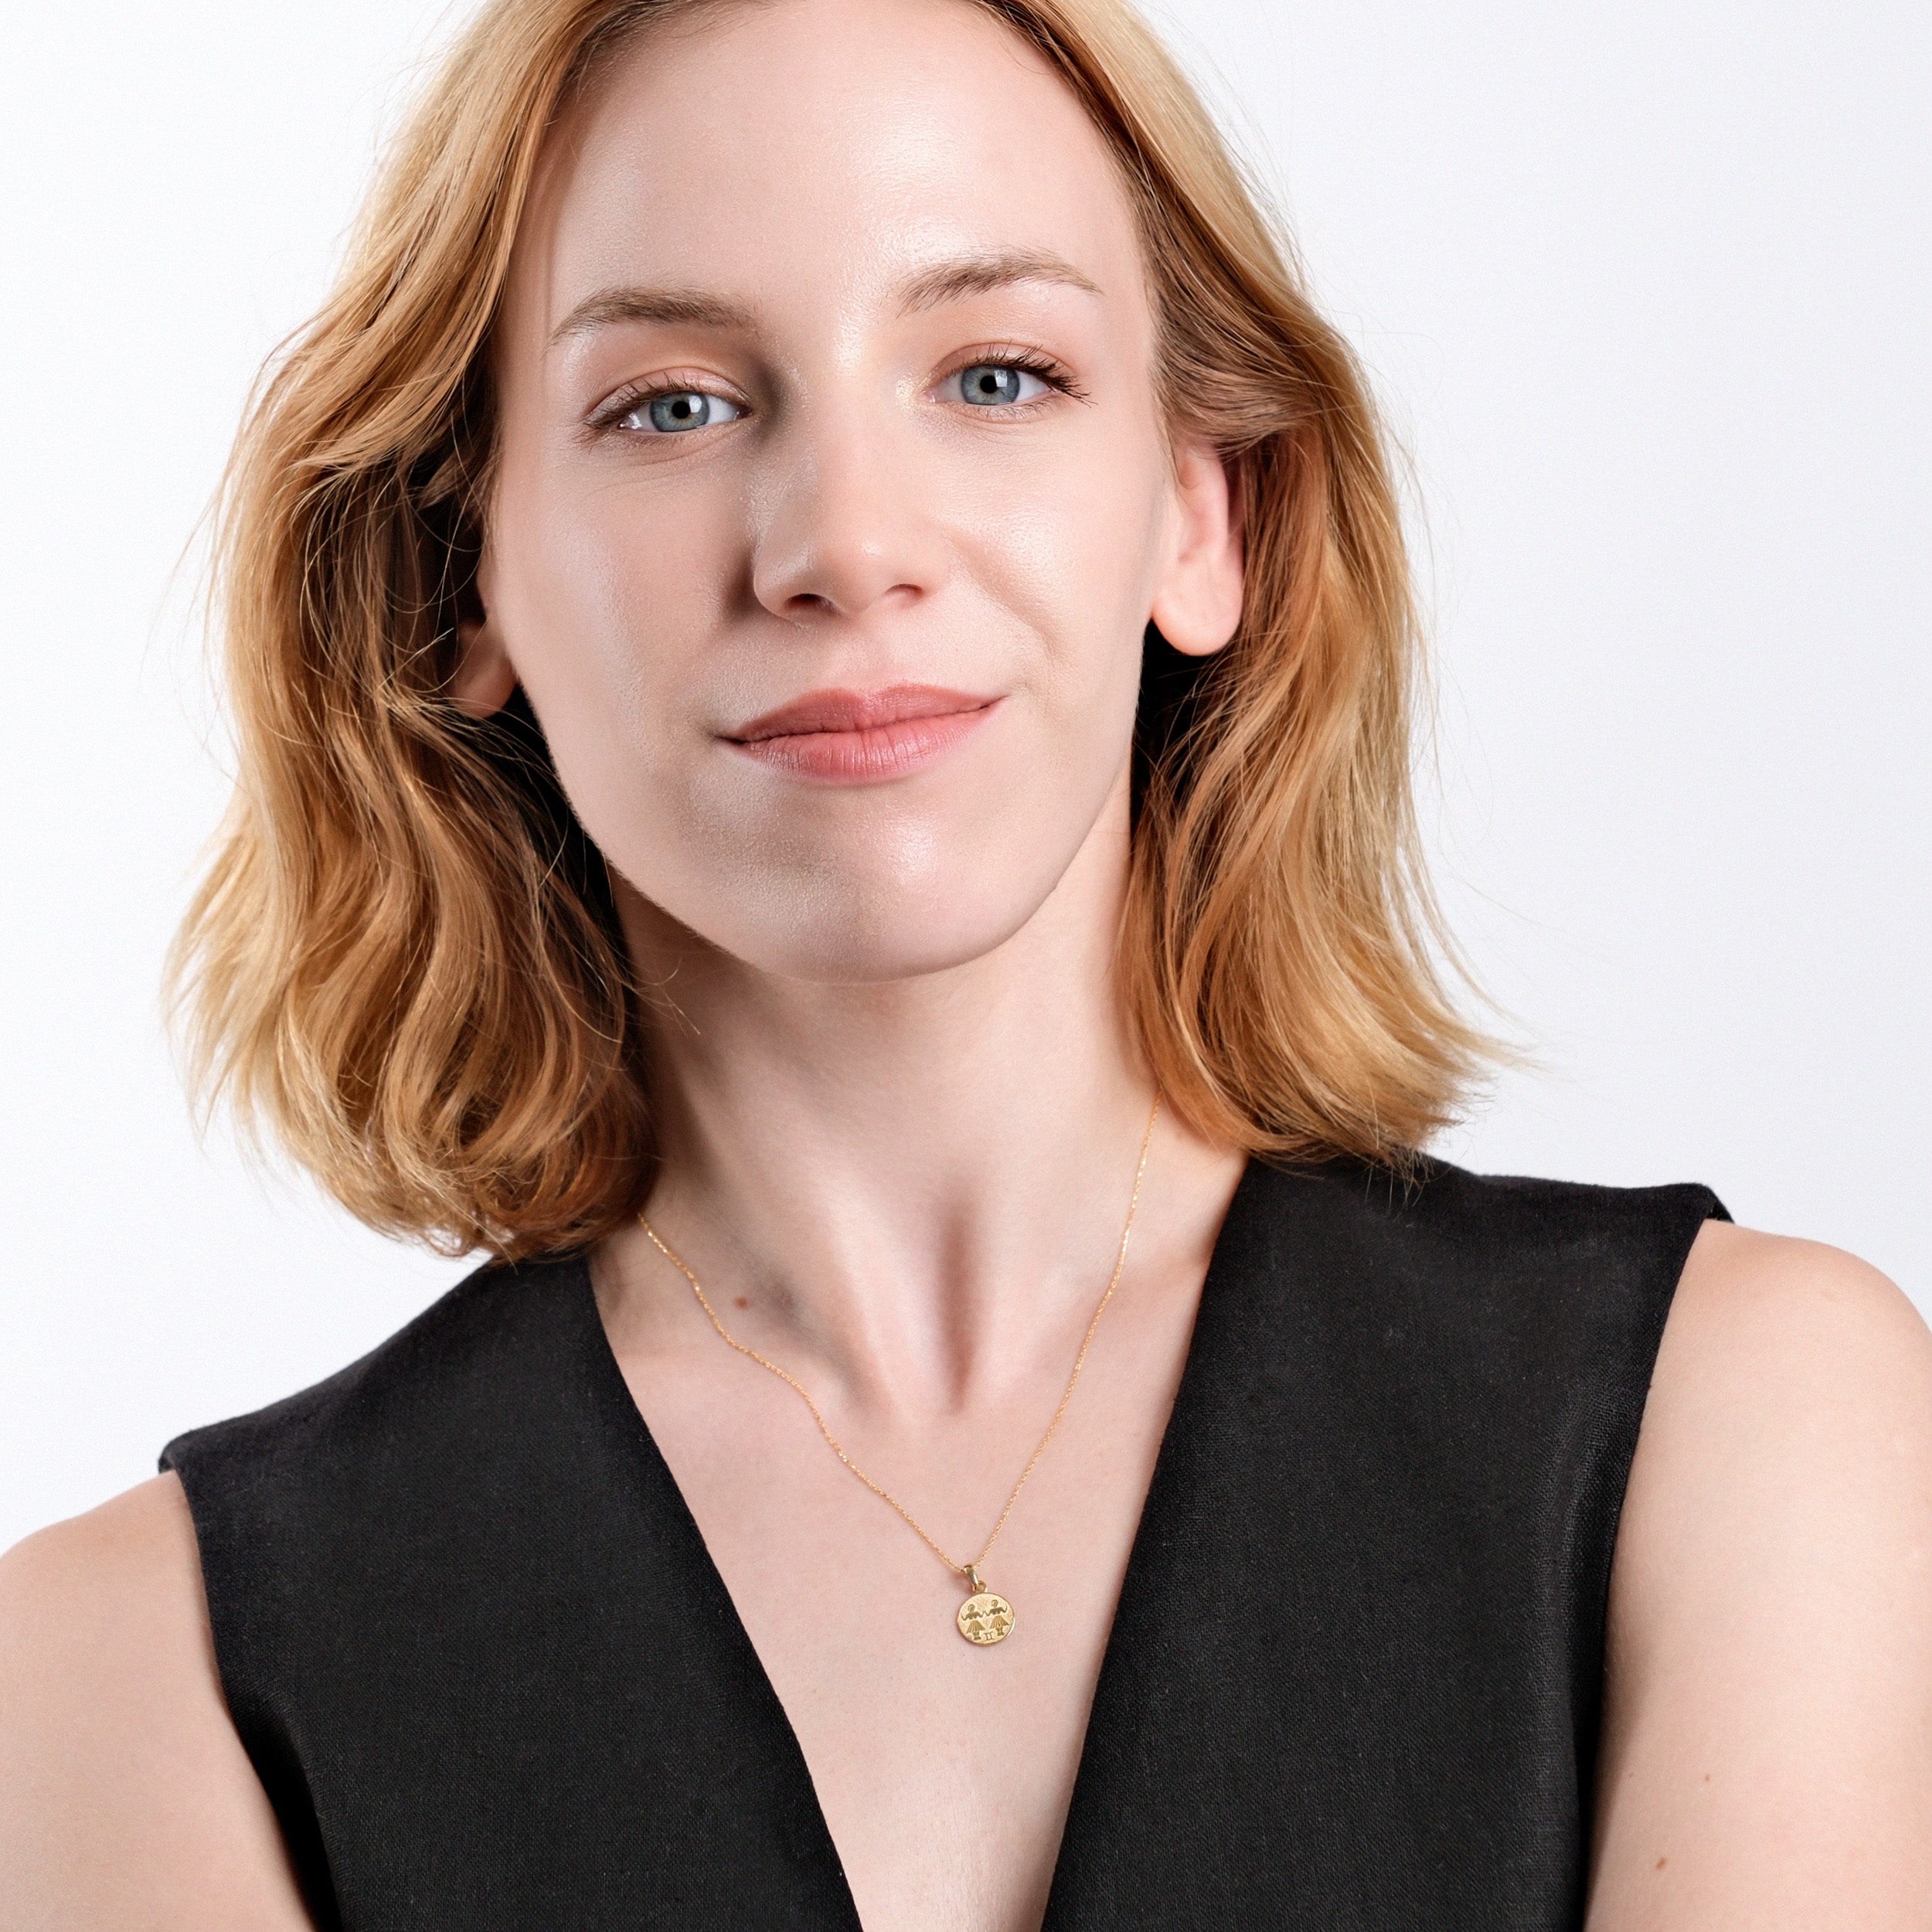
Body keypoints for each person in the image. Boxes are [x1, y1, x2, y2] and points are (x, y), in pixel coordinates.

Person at [2, 0, 1927, 1924]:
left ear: (1201, 512)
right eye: (670, 405)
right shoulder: (126, 1683)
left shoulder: (1737, 1423)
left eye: (996, 374)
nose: (845, 545)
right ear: (467, 579)